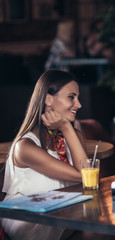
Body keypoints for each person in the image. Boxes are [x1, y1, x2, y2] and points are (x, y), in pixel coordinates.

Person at [1, 70, 87, 240]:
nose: (79, 104)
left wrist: (68, 130)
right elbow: (84, 176)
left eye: (77, 97)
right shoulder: (25, 146)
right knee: (94, 231)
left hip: (62, 209)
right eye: (72, 97)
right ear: (48, 99)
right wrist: (66, 127)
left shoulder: (74, 135)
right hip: (27, 217)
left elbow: (89, 180)